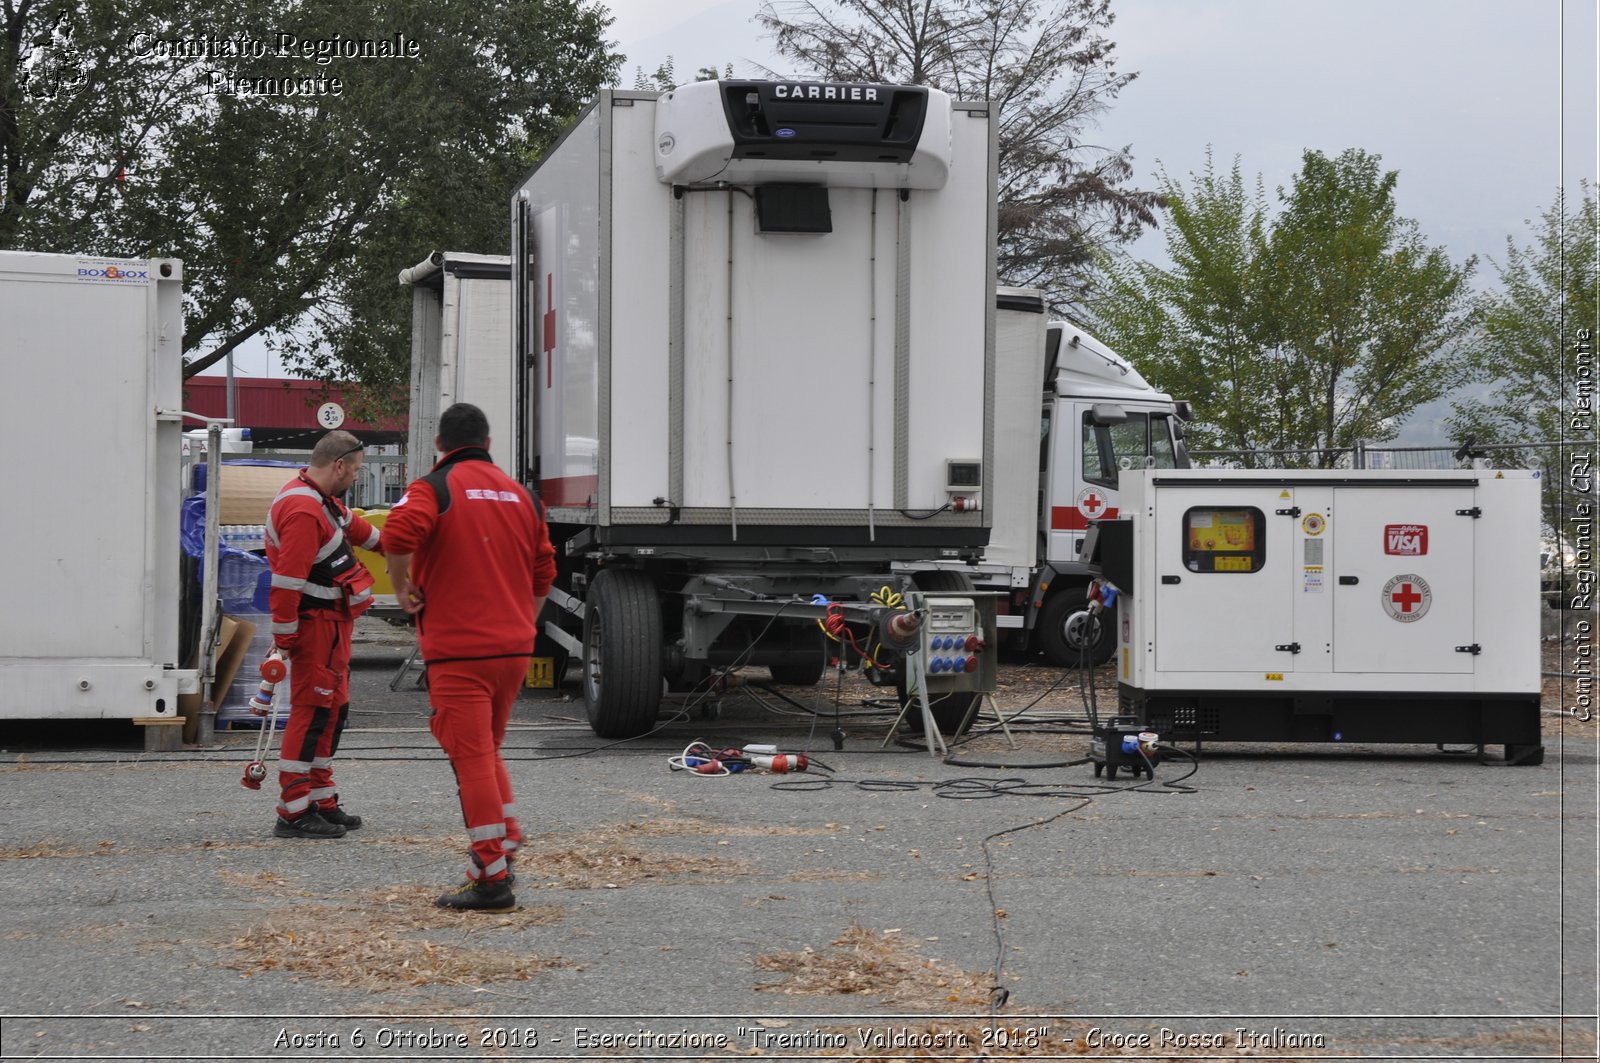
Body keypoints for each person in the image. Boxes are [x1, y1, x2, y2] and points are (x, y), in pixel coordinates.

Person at [381, 403, 555, 912]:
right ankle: (503, 842)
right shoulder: (523, 496)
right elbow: (544, 571)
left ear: (440, 443)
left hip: (459, 649)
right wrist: (523, 619)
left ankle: (491, 876)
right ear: (488, 439)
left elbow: (396, 536)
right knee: (487, 748)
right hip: (514, 647)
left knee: (471, 756)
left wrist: (401, 588)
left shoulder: (432, 488)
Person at [265, 429, 380, 839]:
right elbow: (286, 583)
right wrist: (285, 639)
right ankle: (293, 811)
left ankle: (320, 798)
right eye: (356, 471)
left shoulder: (318, 499)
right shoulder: (303, 509)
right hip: (316, 626)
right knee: (312, 712)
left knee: (332, 712)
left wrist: (407, 543)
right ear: (339, 466)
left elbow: (359, 530)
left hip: (331, 626)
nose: (356, 478)